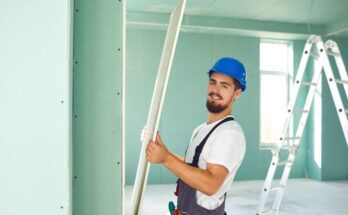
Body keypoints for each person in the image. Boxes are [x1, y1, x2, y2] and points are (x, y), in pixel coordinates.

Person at [146, 57, 247, 215]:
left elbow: (211, 184)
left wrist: (165, 158)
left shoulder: (229, 134)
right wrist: (163, 152)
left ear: (237, 93)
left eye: (224, 86)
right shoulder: (201, 129)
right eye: (213, 82)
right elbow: (192, 165)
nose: (215, 90)